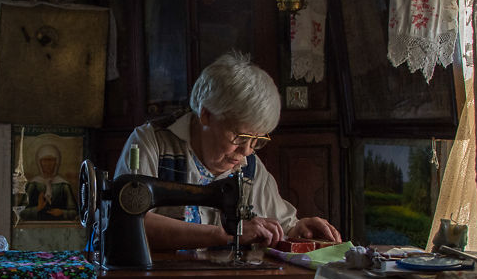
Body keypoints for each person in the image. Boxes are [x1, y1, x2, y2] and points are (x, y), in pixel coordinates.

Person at [114, 51, 342, 249]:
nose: (247, 151)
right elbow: (130, 220)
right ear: (206, 115)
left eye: (257, 140)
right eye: (240, 137)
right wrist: (225, 235)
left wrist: (298, 230)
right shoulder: (151, 143)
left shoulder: (248, 166)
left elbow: (281, 224)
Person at [19, 144, 77, 221]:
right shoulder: (33, 184)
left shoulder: (63, 185)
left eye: (51, 160)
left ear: (57, 162)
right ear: (39, 162)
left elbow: (75, 212)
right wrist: (37, 208)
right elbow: (21, 212)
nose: (48, 164)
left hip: (60, 227)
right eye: (44, 160)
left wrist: (62, 212)